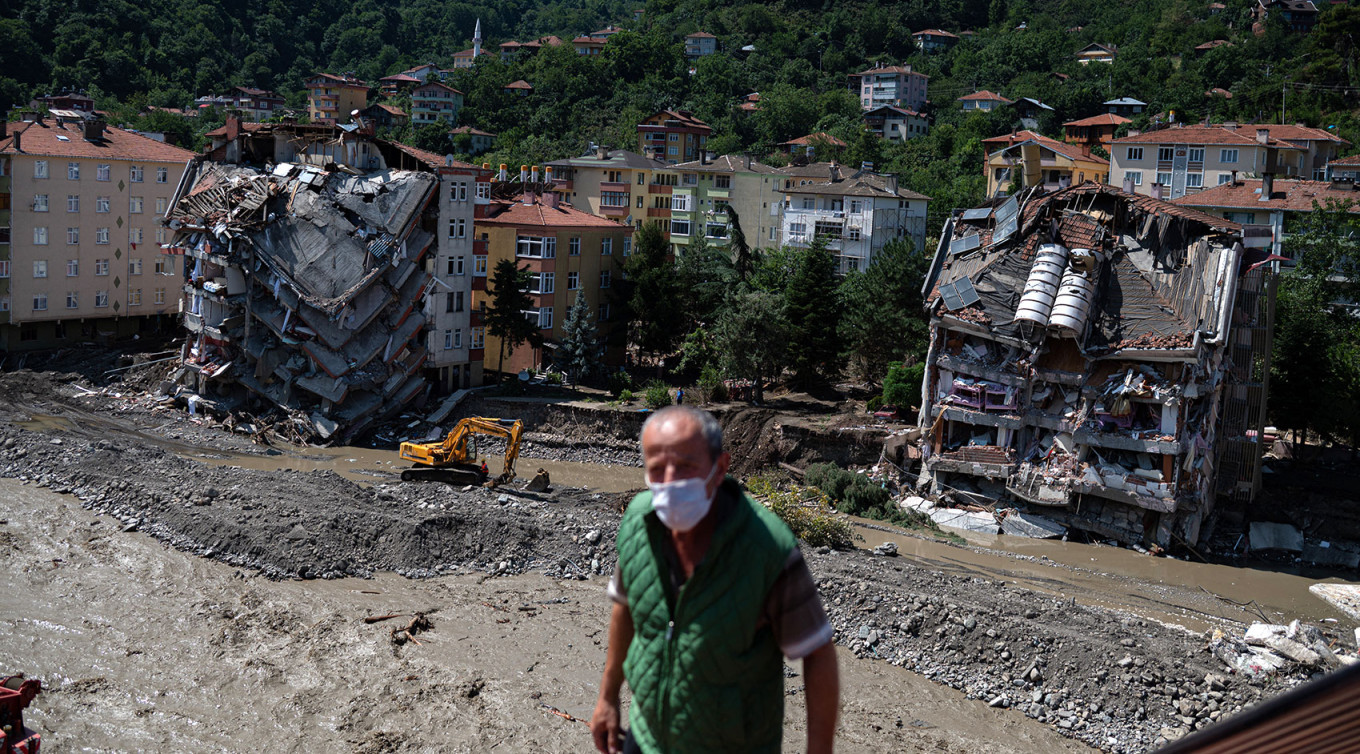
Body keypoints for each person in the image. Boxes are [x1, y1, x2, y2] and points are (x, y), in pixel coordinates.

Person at [591, 406, 839, 754]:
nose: (671, 482)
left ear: (720, 468)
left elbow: (817, 652)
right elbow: (625, 607)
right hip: (647, 738)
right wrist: (607, 698)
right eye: (657, 470)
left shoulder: (768, 548)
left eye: (686, 467)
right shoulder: (638, 523)